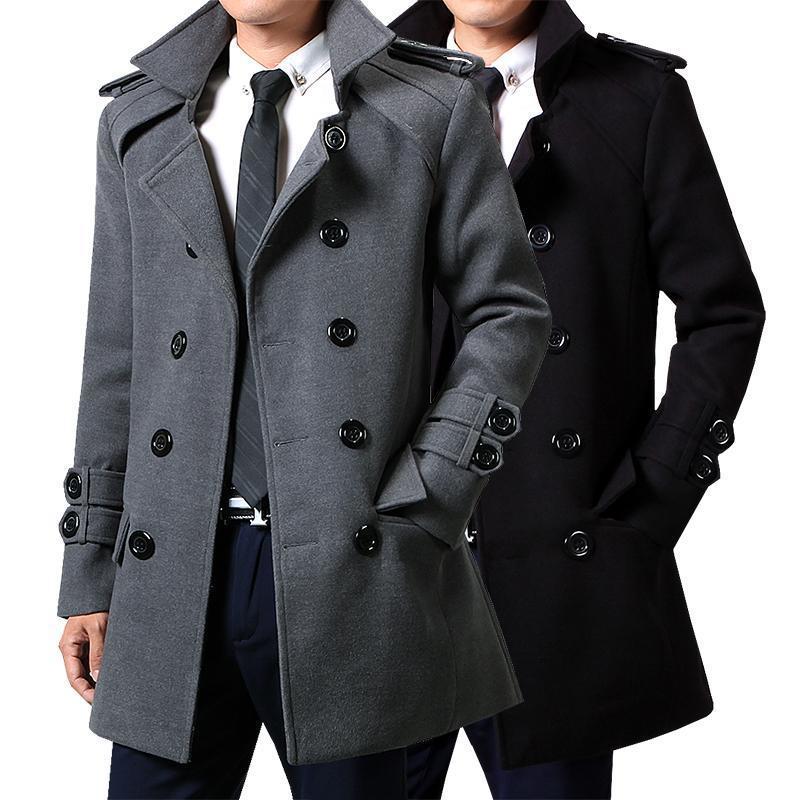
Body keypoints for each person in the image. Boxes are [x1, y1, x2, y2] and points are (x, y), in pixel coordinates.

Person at [55, 0, 552, 797]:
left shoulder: (428, 105)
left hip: (355, 562)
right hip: (172, 567)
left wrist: (433, 487)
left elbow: (508, 310)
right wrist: (89, 569)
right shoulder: (140, 118)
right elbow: (116, 351)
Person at [390, 1, 766, 798]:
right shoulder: (359, 89)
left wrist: (650, 496)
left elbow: (724, 312)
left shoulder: (634, 99)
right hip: (388, 554)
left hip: (557, 561)